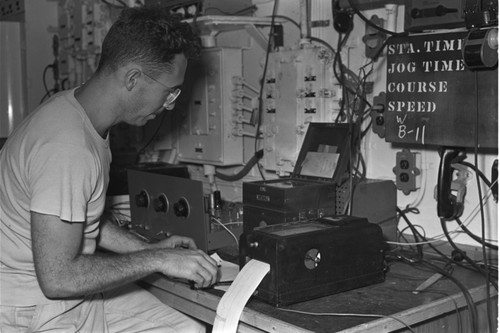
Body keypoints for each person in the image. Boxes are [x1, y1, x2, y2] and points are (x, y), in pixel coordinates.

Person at [0, 6, 218, 332]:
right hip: (36, 308)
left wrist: (146, 249)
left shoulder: (76, 111)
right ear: (132, 78)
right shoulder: (67, 147)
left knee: (186, 327)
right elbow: (58, 279)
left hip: (65, 291)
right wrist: (157, 260)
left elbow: (82, 220)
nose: (171, 103)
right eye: (170, 90)